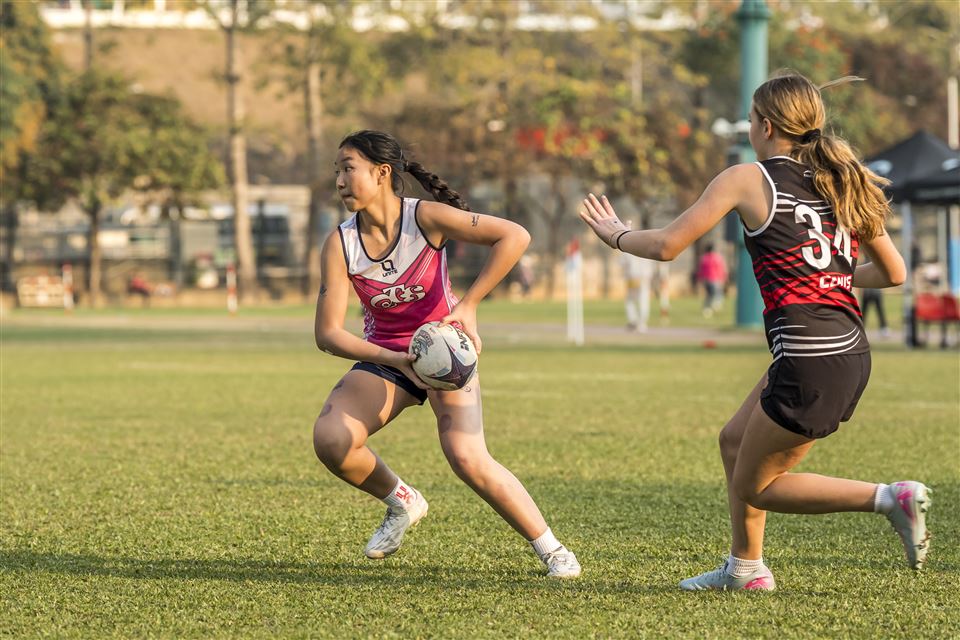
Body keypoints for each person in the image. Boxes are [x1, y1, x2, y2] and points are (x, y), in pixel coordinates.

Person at [579, 72, 931, 590]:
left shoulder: (747, 178)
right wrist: (823, 273)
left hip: (809, 358)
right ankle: (745, 569)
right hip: (848, 350)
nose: (748, 127)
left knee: (758, 486)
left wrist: (616, 234)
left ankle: (889, 498)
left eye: (749, 118)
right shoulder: (842, 179)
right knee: (733, 440)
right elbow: (894, 273)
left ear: (765, 126)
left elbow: (667, 246)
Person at [312, 130, 580, 578]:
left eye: (348, 168)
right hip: (388, 356)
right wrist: (397, 359)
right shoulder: (340, 244)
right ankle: (403, 501)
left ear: (381, 173)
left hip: (446, 353)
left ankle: (553, 550)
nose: (339, 180)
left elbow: (514, 236)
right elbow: (327, 334)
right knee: (331, 440)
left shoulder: (425, 217)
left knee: (468, 458)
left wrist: (469, 305)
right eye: (336, 171)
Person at [620, 237, 655, 332]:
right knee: (642, 300)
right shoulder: (647, 248)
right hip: (642, 278)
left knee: (631, 300)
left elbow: (622, 263)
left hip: (634, 277)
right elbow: (651, 264)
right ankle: (640, 323)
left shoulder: (627, 249)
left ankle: (634, 321)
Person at [696, 243, 727, 317]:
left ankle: (707, 307)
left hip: (706, 280)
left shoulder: (704, 258)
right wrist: (723, 277)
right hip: (715, 279)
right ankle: (715, 305)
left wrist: (700, 279)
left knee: (709, 294)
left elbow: (700, 270)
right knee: (716, 293)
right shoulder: (717, 257)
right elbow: (720, 268)